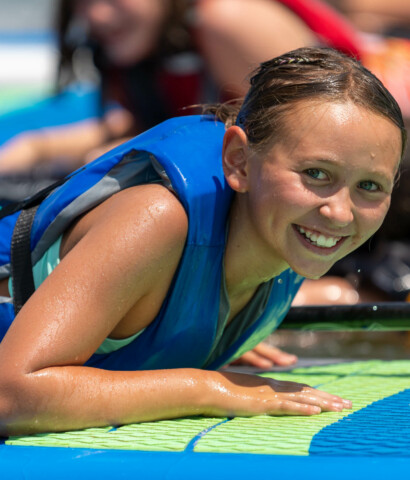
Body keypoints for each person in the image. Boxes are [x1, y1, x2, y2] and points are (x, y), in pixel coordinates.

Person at [0, 46, 405, 435]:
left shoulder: (287, 233)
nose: (341, 212)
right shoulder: (154, 219)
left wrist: (196, 337)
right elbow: (11, 395)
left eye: (370, 186)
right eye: (316, 174)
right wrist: (208, 385)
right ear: (239, 161)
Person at [0, 0, 362, 173]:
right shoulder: (153, 45)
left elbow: (317, 134)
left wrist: (134, 153)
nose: (95, 15)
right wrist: (36, 148)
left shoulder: (228, 21)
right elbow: (142, 123)